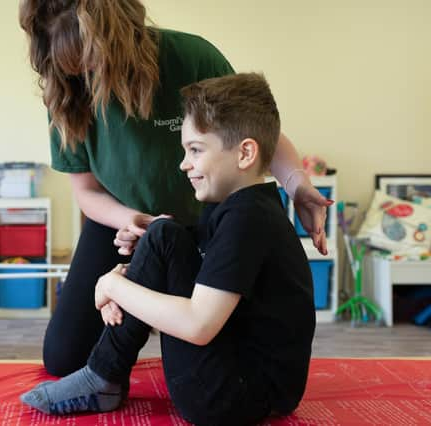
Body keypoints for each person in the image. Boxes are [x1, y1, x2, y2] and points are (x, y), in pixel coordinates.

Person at [19, 0, 329, 377]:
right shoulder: (66, 91)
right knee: (63, 358)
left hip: (208, 221)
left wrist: (298, 186)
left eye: (94, 59)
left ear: (121, 36)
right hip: (125, 227)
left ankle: (152, 309)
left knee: (214, 337)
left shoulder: (190, 57)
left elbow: (259, 132)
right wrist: (130, 220)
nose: (89, 73)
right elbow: (86, 191)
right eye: (76, 66)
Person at [20, 72, 316, 425]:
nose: (183, 164)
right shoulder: (238, 207)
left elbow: (198, 325)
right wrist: (133, 275)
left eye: (195, 150)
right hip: (242, 370)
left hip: (233, 398)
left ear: (245, 153)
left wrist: (115, 287)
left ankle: (102, 376)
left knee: (161, 238)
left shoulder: (248, 218)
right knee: (162, 234)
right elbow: (186, 267)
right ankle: (105, 375)